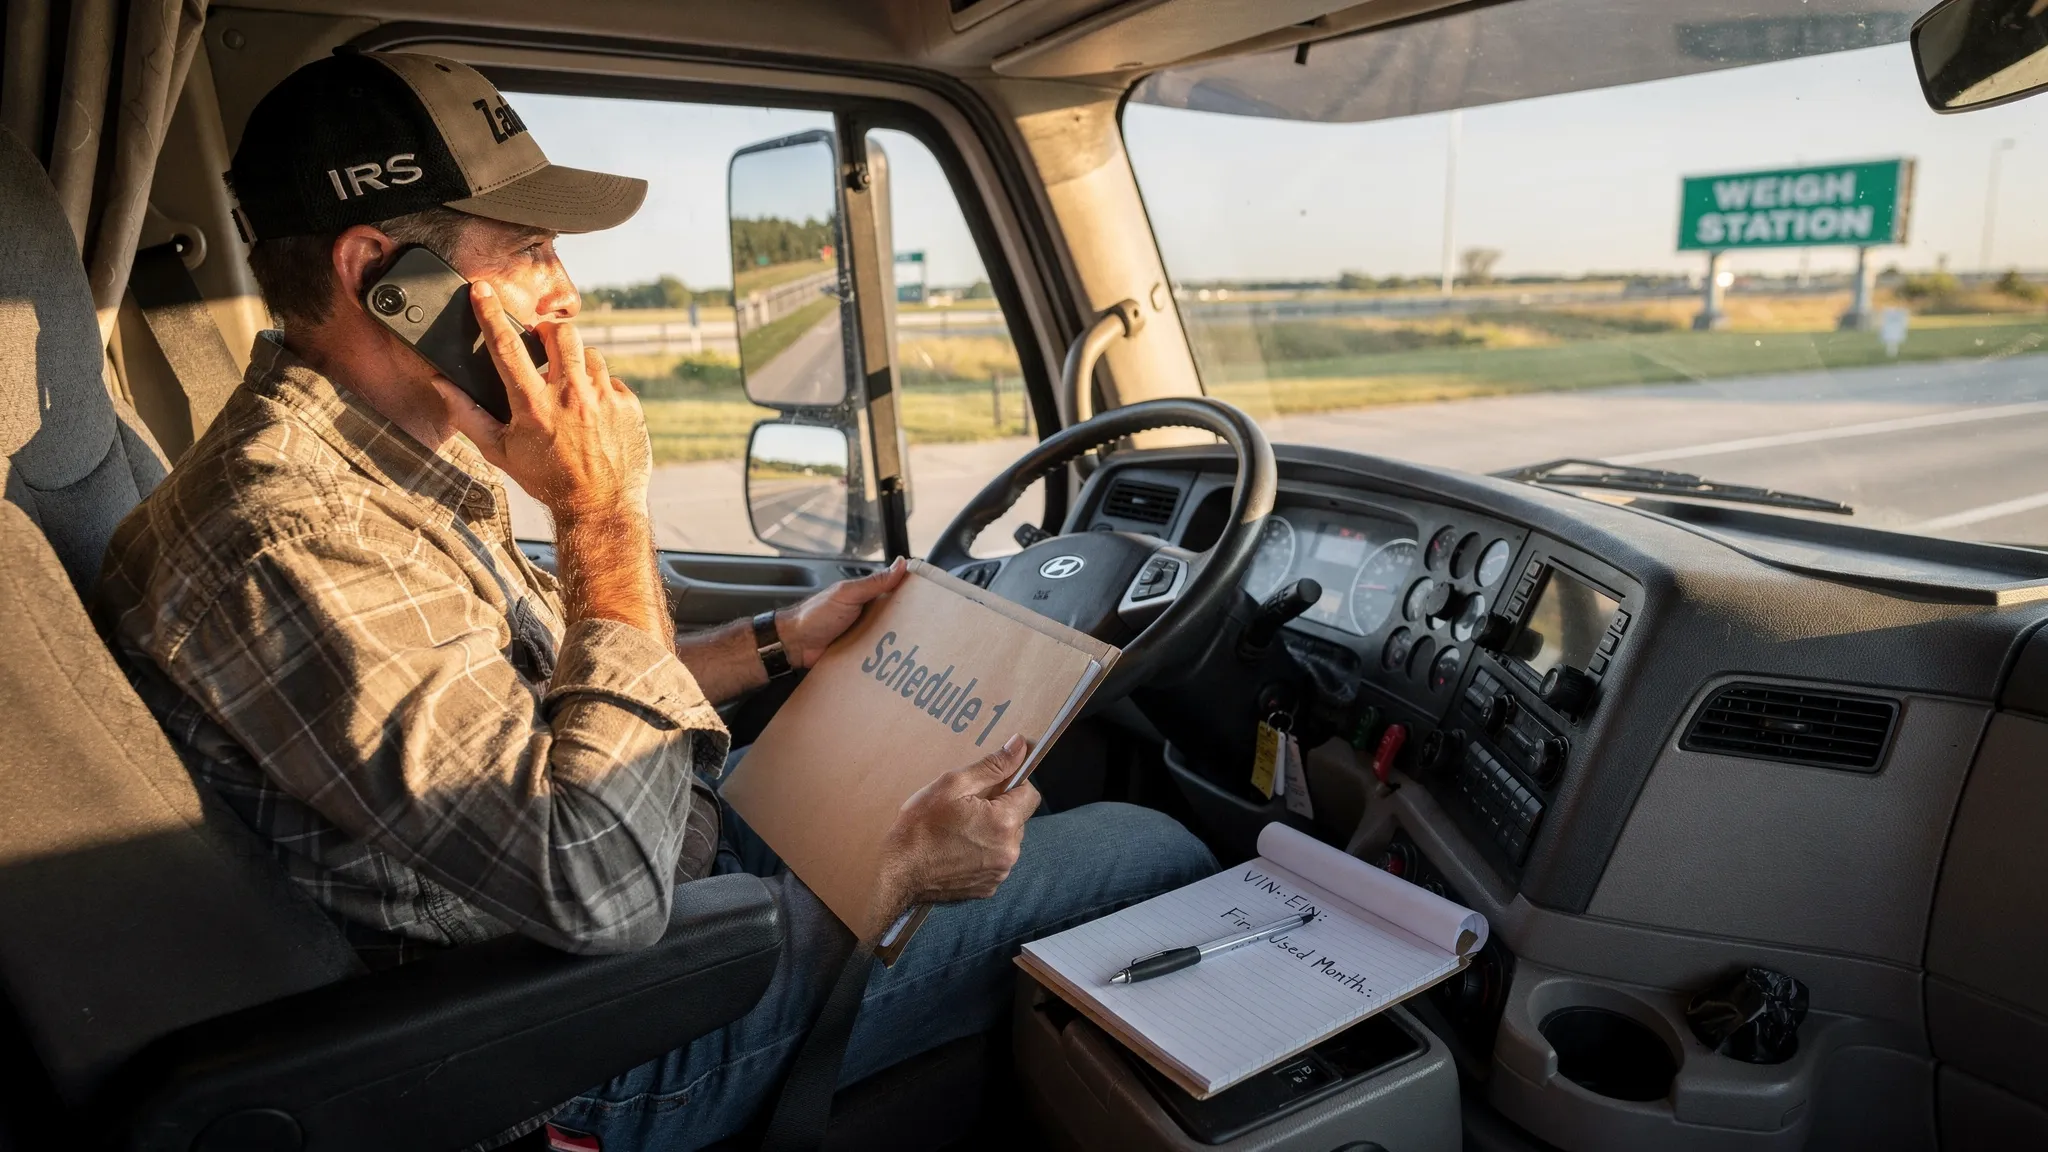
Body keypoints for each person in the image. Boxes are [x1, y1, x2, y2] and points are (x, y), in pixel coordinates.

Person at [93, 49, 1214, 1150]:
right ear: (382, 278)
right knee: (1145, 846)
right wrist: (600, 515)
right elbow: (596, 891)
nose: (566, 295)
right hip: (577, 1046)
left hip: (645, 902)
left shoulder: (369, 473)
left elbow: (551, 696)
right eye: (529, 250)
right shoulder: (296, 537)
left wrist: (777, 644)